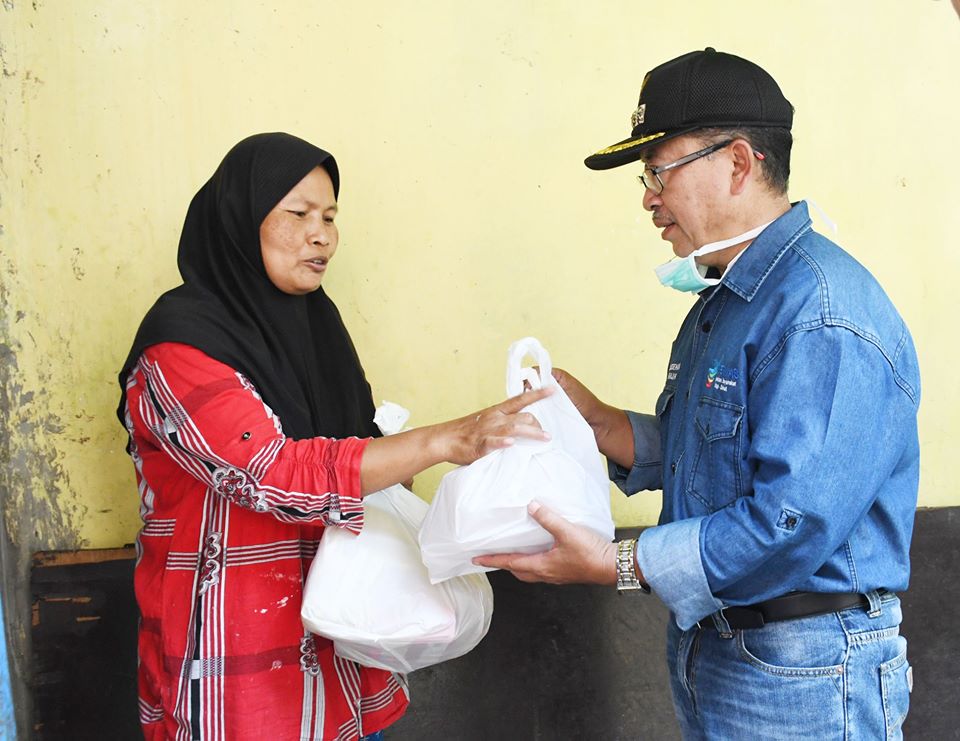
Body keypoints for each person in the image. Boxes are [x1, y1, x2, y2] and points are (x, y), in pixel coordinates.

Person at [476, 48, 920, 739]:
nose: (649, 197)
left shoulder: (821, 313)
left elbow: (786, 524)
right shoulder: (728, 299)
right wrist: (595, 422)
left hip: (802, 669)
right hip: (718, 650)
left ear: (739, 163)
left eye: (658, 171)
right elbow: (711, 451)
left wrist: (614, 563)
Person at [117, 132, 550, 741]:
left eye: (329, 217)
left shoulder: (317, 330)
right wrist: (444, 440)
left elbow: (362, 460)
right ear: (241, 221)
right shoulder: (180, 346)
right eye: (297, 214)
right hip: (236, 666)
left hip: (345, 658)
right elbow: (269, 474)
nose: (321, 234)